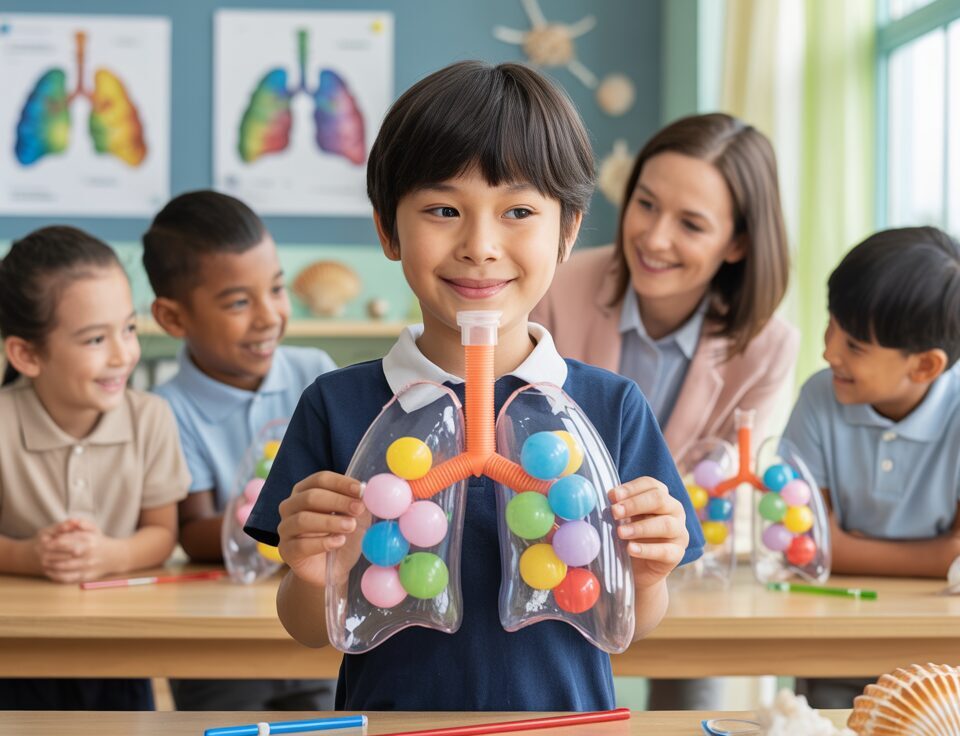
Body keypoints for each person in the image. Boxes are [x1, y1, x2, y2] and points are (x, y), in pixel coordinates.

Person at [245, 60, 704, 711]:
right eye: (442, 209)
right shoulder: (336, 404)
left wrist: (650, 576)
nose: (480, 244)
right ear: (387, 229)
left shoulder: (611, 407)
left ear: (568, 230)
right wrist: (313, 570)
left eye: (518, 210)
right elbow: (306, 626)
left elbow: (631, 621)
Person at [143, 190, 337, 710]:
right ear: (172, 318)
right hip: (219, 638)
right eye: (237, 302)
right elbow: (195, 529)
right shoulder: (166, 409)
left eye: (275, 289)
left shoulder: (314, 373)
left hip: (314, 616)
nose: (268, 315)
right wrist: (289, 520)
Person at [532, 113, 798, 461]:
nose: (655, 240)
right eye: (646, 204)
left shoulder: (768, 351)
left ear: (738, 244)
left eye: (690, 225)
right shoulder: (553, 285)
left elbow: (723, 492)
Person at [0, 226, 189, 709]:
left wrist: (110, 555)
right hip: (16, 649)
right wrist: (28, 557)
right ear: (25, 354)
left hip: (118, 648)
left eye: (127, 328)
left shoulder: (150, 417)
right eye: (94, 339)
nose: (122, 354)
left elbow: (162, 532)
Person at [784, 226, 960, 709]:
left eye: (856, 346)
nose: (828, 351)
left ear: (924, 366)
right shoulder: (820, 397)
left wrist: (843, 548)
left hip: (945, 651)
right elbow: (808, 545)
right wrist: (939, 556)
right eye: (831, 324)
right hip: (834, 639)